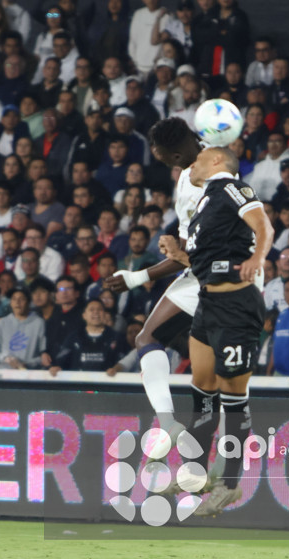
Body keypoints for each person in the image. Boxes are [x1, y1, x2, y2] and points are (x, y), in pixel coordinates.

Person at [161, 144, 272, 517]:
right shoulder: (207, 201)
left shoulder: (230, 187)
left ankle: (229, 485)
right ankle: (195, 473)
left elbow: (262, 223)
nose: (190, 165)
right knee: (202, 389)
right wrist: (180, 256)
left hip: (236, 306)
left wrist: (258, 257)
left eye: (197, 159)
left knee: (233, 396)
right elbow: (208, 259)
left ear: (217, 161)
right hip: (208, 302)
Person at [108, 118, 204, 445]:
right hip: (216, 271)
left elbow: (197, 250)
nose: (164, 166)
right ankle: (173, 427)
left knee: (148, 337)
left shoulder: (199, 182)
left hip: (219, 275)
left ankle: (173, 425)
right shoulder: (213, 162)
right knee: (149, 338)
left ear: (176, 158)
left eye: (163, 160)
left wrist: (140, 275)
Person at [49, 299, 122, 376]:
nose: (96, 312)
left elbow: (123, 362)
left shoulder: (116, 337)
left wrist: (116, 369)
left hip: (107, 385)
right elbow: (61, 360)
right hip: (78, 385)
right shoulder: (73, 337)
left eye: (99, 309)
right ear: (84, 315)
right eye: (91, 309)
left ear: (104, 314)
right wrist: (55, 367)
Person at [0, 286, 46, 370]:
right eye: (14, 299)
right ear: (10, 303)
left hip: (28, 376)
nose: (17, 302)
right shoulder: (2, 323)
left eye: (22, 299)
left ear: (28, 302)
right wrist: (6, 358)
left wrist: (27, 363)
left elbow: (44, 355)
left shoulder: (39, 323)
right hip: (4, 376)